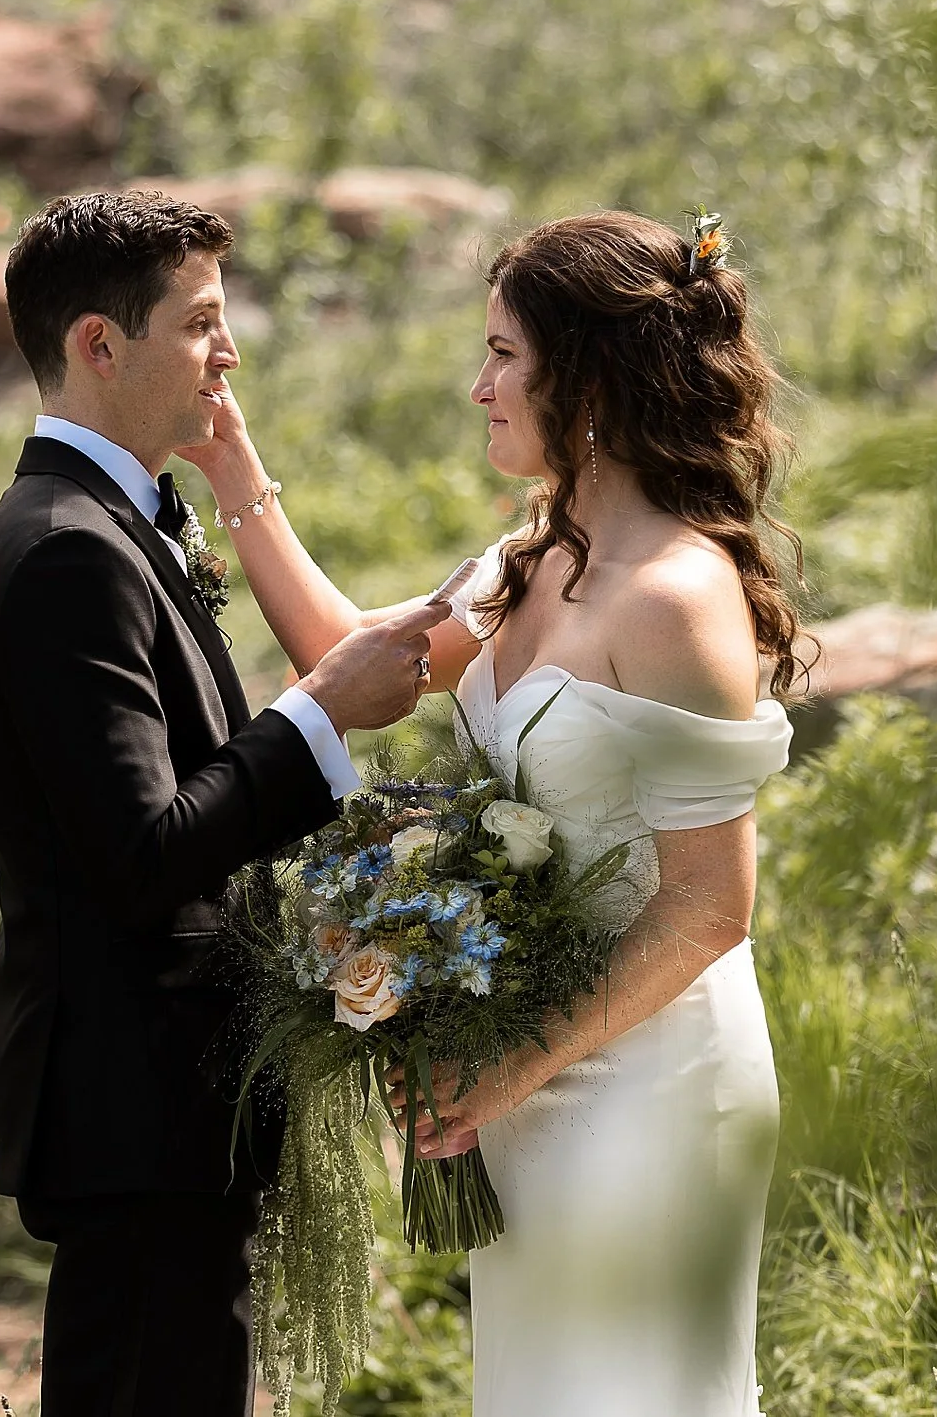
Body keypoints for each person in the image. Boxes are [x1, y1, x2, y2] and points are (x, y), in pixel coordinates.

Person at [179, 209, 803, 1416]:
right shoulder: (536, 552)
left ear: (589, 375)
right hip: (521, 1090)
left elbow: (711, 907)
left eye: (504, 355)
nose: (479, 387)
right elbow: (355, 661)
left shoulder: (678, 597)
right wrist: (232, 473)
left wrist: (509, 1063)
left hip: (654, 1085)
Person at [0, 189, 450, 1417]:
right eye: (200, 322)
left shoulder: (112, 524)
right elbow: (142, 851)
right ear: (97, 346)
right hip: (135, 1109)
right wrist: (318, 711)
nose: (228, 353)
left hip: (166, 1109)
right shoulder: (70, 549)